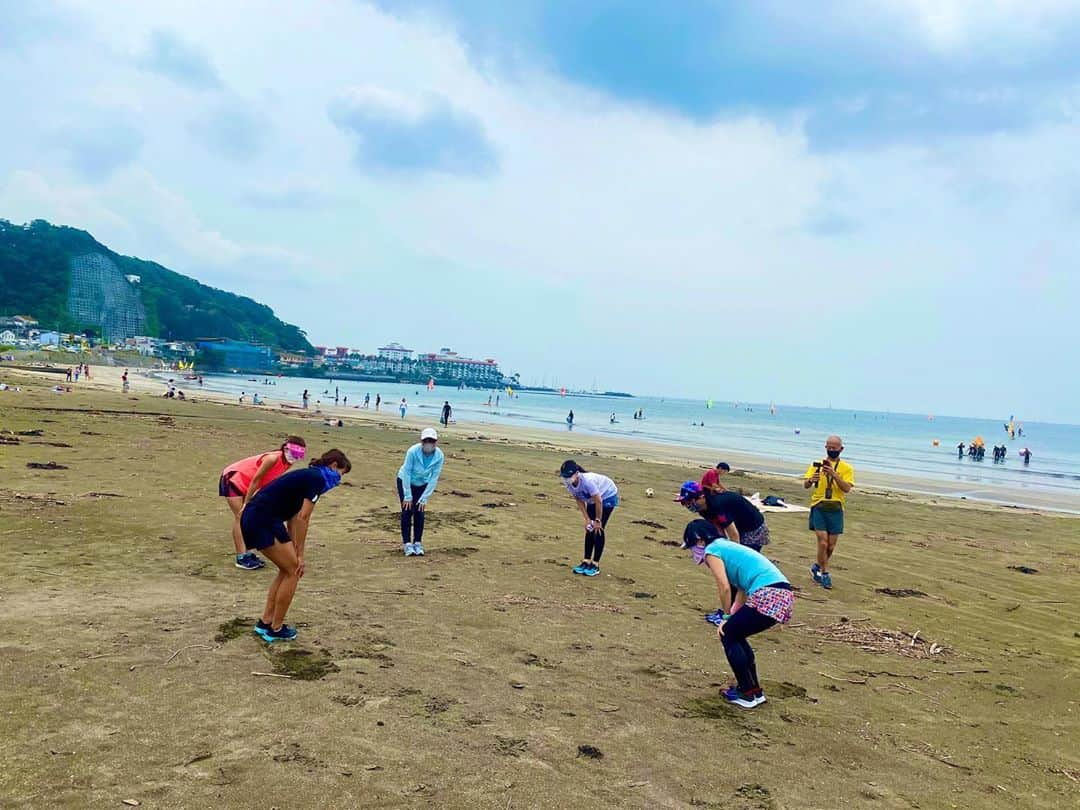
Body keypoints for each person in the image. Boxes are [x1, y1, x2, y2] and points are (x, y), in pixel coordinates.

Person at [680, 519, 794, 709]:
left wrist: (724, 618)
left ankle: (746, 693)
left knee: (729, 634)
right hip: (782, 594)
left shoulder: (712, 551)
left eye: (692, 546)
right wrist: (732, 616)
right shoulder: (728, 547)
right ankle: (754, 691)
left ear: (699, 540)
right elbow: (741, 589)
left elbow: (724, 588)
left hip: (768, 594)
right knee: (736, 633)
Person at [240, 449, 350, 641]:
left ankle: (265, 622)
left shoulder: (307, 477)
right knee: (293, 571)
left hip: (263, 517)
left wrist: (295, 549)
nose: (339, 480)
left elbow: (292, 519)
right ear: (333, 466)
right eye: (341, 474)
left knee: (286, 569)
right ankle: (275, 628)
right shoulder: (316, 478)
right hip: (261, 518)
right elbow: (303, 518)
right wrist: (300, 555)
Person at [219, 437, 307, 570]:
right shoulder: (272, 458)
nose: (295, 458)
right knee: (241, 517)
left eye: (298, 456)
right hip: (233, 479)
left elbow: (268, 481)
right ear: (285, 448)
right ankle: (241, 557)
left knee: (249, 517)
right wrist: (247, 503)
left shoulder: (287, 463)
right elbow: (256, 479)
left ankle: (247, 551)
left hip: (248, 485)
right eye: (294, 454)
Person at [804, 435, 855, 590]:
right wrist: (812, 479)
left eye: (835, 448)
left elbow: (847, 488)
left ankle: (817, 566)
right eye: (829, 448)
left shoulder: (846, 468)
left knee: (831, 546)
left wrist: (834, 474)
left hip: (836, 507)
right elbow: (806, 485)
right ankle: (824, 573)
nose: (832, 450)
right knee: (823, 541)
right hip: (819, 505)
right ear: (825, 447)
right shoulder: (817, 465)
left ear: (841, 449)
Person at [559, 460, 619, 577]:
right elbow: (578, 499)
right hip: (592, 498)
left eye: (568, 476)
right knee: (589, 528)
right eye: (564, 476)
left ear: (576, 473)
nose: (566, 479)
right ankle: (586, 561)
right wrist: (587, 519)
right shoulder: (569, 483)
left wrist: (598, 520)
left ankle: (595, 565)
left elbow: (599, 501)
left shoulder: (588, 482)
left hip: (607, 496)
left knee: (598, 528)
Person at [675, 481, 770, 552]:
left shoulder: (717, 506)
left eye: (689, 502)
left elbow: (733, 534)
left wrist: (732, 553)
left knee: (745, 558)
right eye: (684, 503)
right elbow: (718, 529)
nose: (687, 506)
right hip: (740, 526)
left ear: (701, 497)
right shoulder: (703, 509)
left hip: (754, 528)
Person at [397, 428, 445, 556]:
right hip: (405, 481)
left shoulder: (439, 455)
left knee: (420, 511)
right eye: (426, 440)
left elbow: (434, 477)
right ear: (422, 441)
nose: (429, 443)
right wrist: (407, 495)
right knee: (407, 510)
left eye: (432, 441)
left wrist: (425, 498)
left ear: (436, 442)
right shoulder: (413, 451)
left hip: (422, 483)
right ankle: (407, 544)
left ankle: (417, 542)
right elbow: (407, 472)